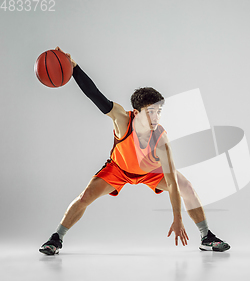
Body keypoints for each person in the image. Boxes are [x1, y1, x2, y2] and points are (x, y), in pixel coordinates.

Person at [39, 47, 230, 255]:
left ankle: (206, 236)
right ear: (136, 113)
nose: (156, 117)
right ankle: (56, 239)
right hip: (118, 169)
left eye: (158, 111)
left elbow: (173, 183)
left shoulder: (161, 139)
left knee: (187, 186)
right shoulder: (122, 119)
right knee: (85, 196)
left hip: (150, 172)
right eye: (150, 112)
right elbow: (95, 95)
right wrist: (74, 68)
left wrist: (177, 218)